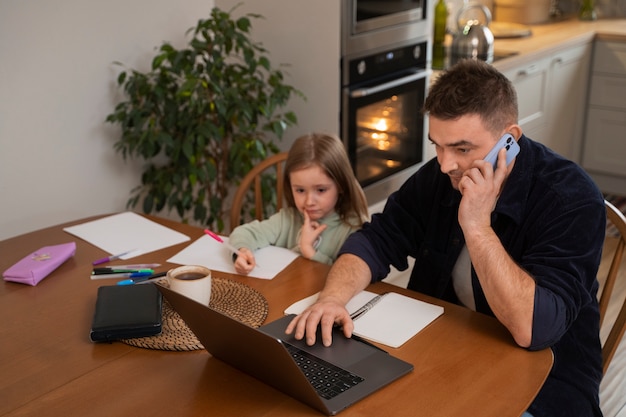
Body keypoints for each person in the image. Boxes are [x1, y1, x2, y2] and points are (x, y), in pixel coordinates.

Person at [286, 59, 606, 417]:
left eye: (462, 149)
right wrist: (332, 299)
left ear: (509, 140)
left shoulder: (571, 198)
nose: (445, 164)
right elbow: (376, 240)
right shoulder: (441, 177)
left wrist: (477, 226)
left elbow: (533, 329)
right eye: (437, 145)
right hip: (445, 355)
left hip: (546, 384)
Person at [229, 133, 369, 275]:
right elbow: (244, 233)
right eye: (300, 190)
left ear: (341, 185)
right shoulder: (288, 218)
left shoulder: (354, 229)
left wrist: (309, 251)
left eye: (320, 190)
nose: (309, 202)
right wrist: (242, 251)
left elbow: (348, 277)